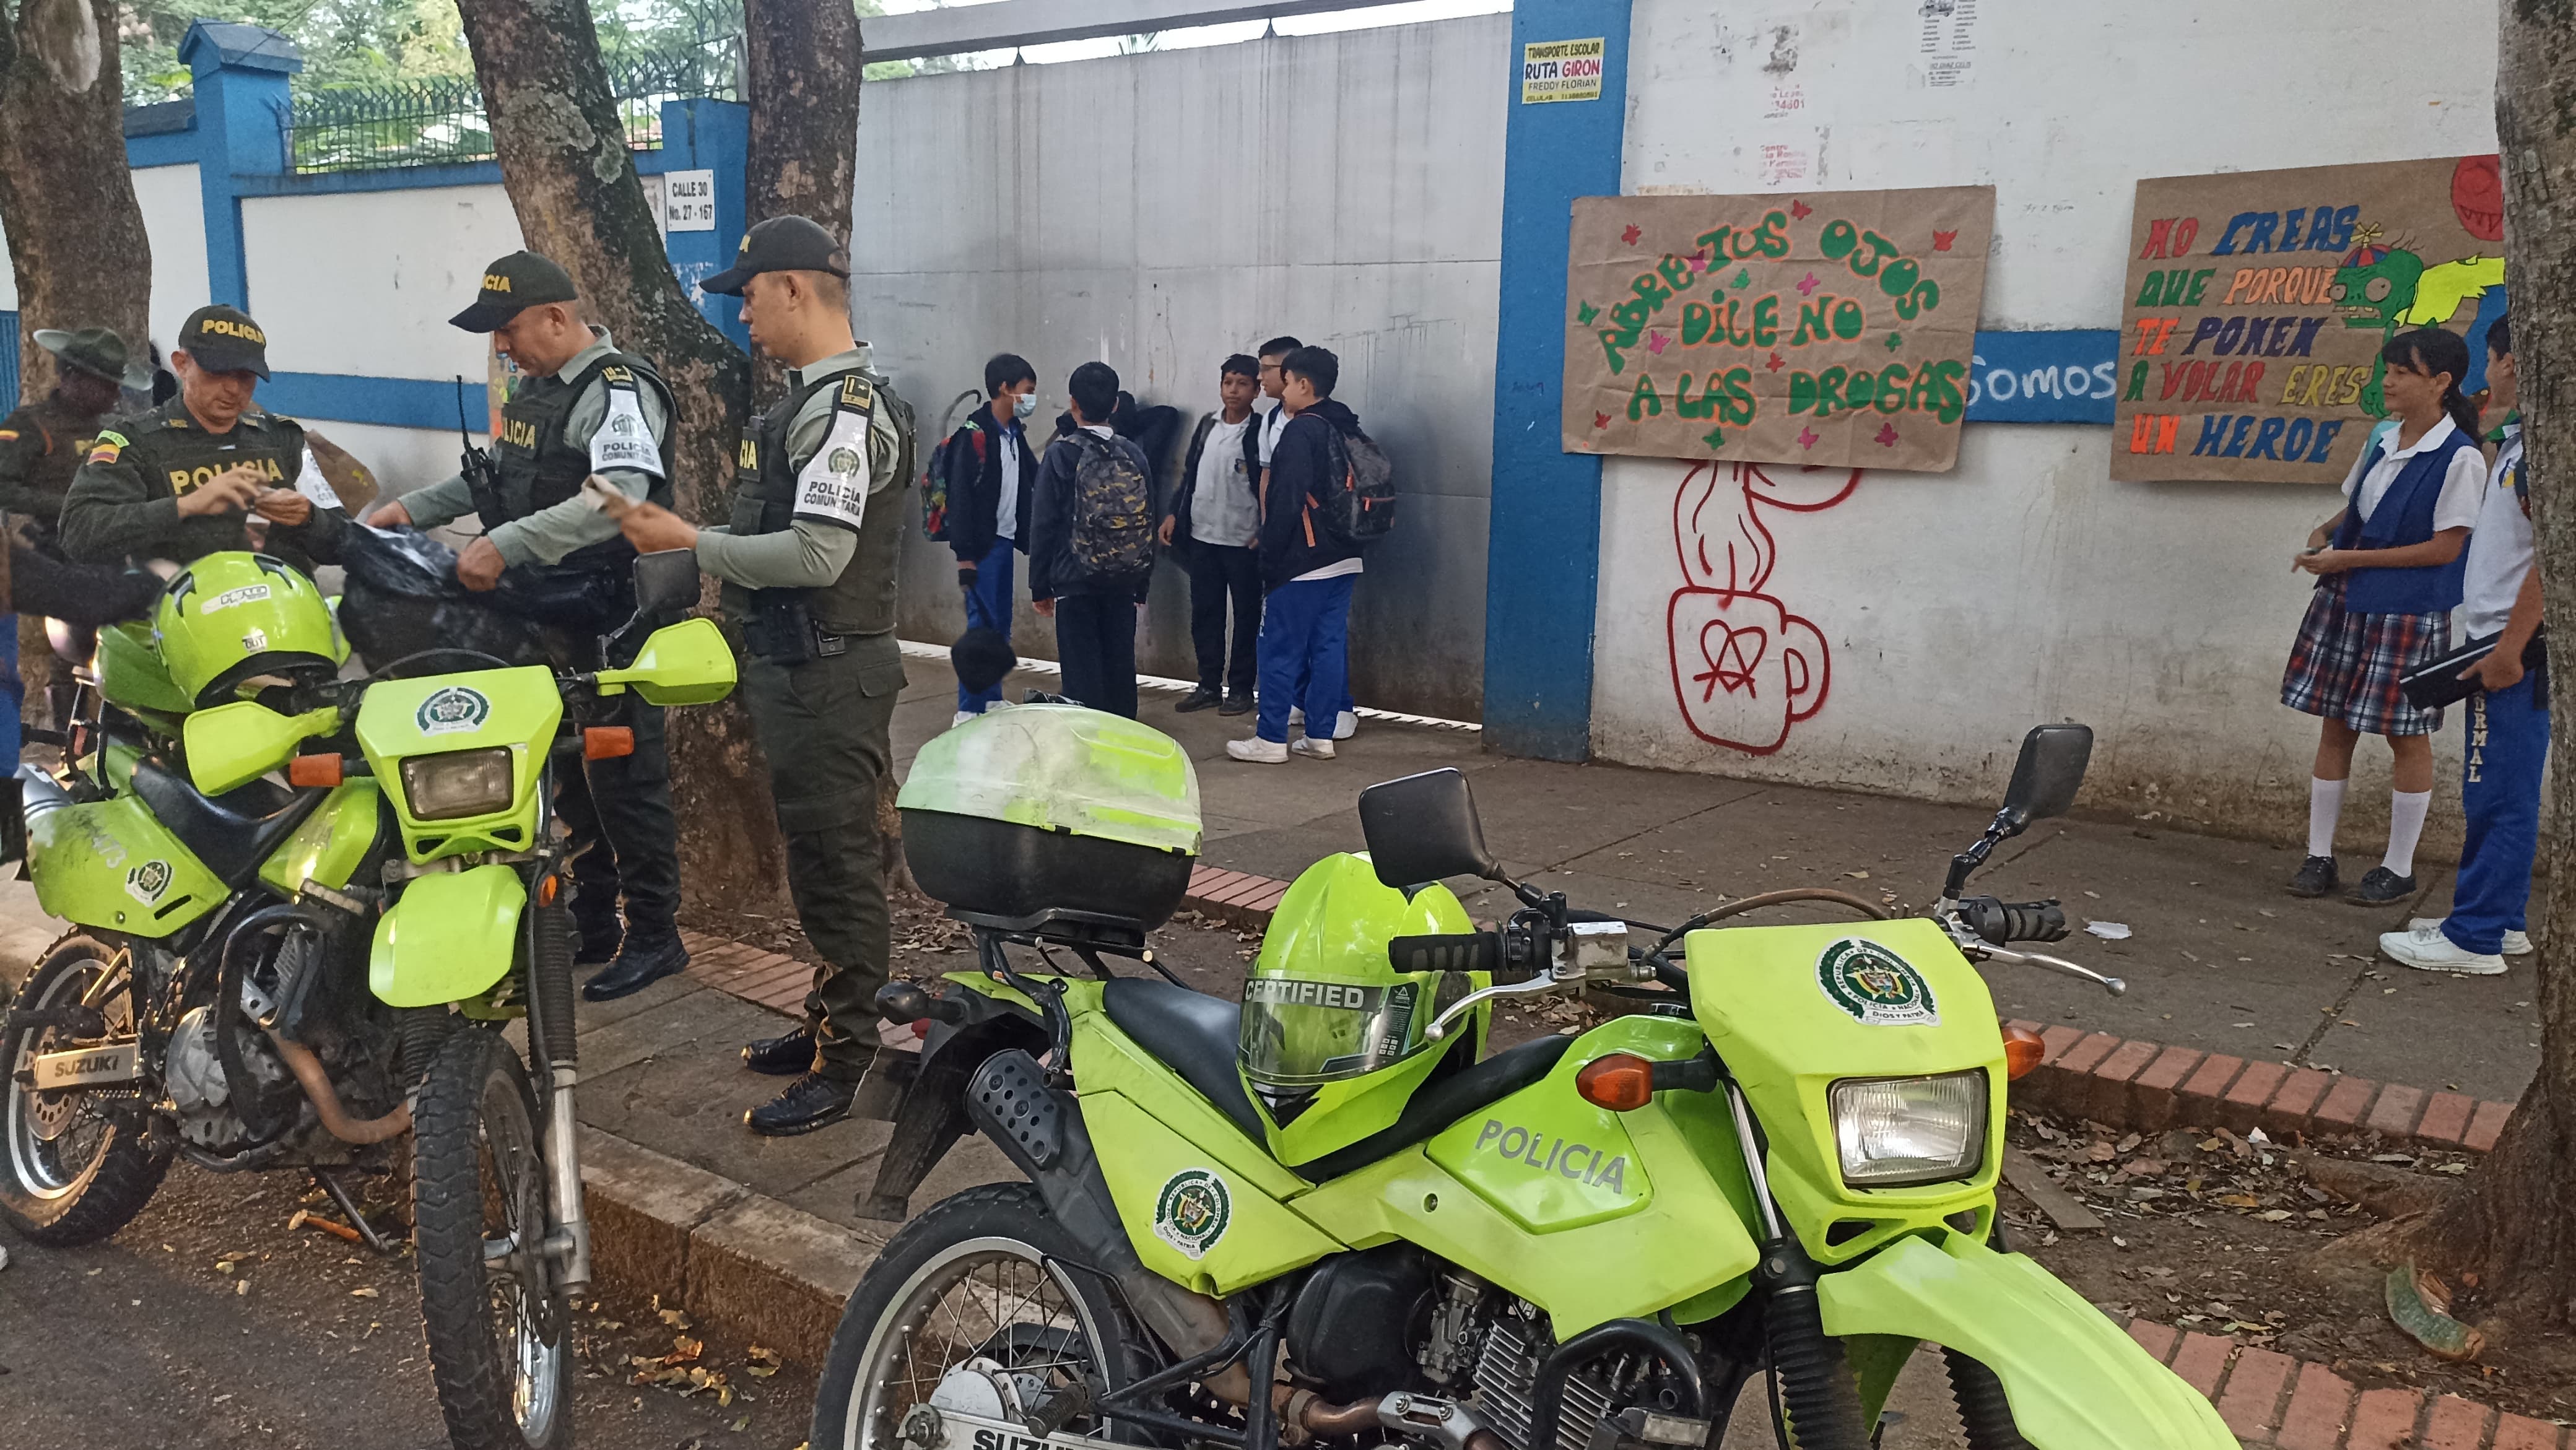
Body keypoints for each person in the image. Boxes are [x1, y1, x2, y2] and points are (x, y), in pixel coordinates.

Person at [612, 215, 915, 1135]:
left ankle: (855, 1060)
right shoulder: (807, 406)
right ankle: (831, 1021)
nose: (743, 315)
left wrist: (689, 541)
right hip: (800, 671)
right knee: (818, 861)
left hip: (830, 675)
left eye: (749, 295)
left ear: (793, 287)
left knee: (838, 865)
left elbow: (821, 555)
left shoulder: (845, 411)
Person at [363, 251, 690, 999]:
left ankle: (655, 934)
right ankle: (595, 919)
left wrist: (504, 544)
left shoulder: (616, 390)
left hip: (612, 612)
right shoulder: (538, 390)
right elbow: (501, 478)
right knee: (563, 768)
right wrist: (411, 509)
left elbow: (618, 495)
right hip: (544, 610)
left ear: (557, 317)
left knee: (626, 777)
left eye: (509, 330)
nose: (502, 347)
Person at [2281, 326, 2486, 904]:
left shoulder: (2461, 458)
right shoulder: (2385, 439)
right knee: (2336, 725)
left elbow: (2446, 548)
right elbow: (2360, 504)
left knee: (2406, 736)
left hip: (2407, 613)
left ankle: (2398, 867)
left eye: (2403, 373)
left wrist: (2351, 556)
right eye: (2388, 370)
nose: (2388, 382)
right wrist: (2327, 532)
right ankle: (2319, 856)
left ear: (2442, 383)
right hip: (2350, 600)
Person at [2382, 318, 2544, 974]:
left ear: (2514, 362)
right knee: (2502, 787)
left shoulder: (2540, 454)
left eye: (2494, 359)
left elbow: (2553, 556)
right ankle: (2499, 919)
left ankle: (2472, 936)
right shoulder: (2514, 442)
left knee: (2494, 790)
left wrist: (2508, 646)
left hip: (2513, 647)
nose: (2490, 373)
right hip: (2498, 636)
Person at [61, 305, 350, 576]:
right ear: (181, 364)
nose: (233, 389)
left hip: (282, 612)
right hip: (184, 616)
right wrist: (185, 506)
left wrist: (309, 518)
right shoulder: (133, 442)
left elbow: (346, 542)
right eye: (218, 373)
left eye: (246, 376)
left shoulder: (281, 437)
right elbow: (79, 534)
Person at [1230, 345, 1364, 763]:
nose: (1282, 391)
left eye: (1286, 382)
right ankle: (1320, 736)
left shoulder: (1301, 430)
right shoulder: (1346, 424)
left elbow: (1286, 500)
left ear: (1304, 385)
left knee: (1279, 648)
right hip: (1346, 557)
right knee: (1327, 646)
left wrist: (1271, 556)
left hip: (1303, 561)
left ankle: (1270, 740)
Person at [1030, 362, 1154, 718]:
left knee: (1081, 671)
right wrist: (1141, 585)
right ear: (1116, 404)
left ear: (1073, 404)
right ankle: (1125, 738)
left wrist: (1040, 586)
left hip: (1075, 579)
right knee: (1120, 666)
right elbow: (1147, 520)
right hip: (1124, 580)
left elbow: (1045, 524)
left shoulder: (1060, 454)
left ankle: (1088, 746)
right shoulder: (1134, 453)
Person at [1162, 354, 1264, 714]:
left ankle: (1240, 689)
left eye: (1242, 384)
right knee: (1206, 612)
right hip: (1203, 536)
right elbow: (1189, 475)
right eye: (1227, 383)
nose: (1233, 391)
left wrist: (1264, 531)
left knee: (1247, 615)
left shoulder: (1259, 432)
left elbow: (1272, 485)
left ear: (1256, 389)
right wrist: (1174, 513)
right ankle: (1208, 685)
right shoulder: (1207, 426)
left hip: (1243, 541)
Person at [942, 353, 1040, 724]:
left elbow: (1036, 476)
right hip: (982, 548)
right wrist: (965, 556)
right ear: (1005, 388)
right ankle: (969, 708)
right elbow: (961, 498)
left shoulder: (1014, 433)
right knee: (980, 627)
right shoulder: (975, 436)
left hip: (1005, 541)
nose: (1031, 399)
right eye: (1027, 391)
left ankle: (992, 698)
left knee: (999, 624)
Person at [0, 328, 150, 545]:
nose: (116, 394)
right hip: (56, 546)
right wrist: (71, 506)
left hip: (117, 544)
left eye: (117, 386)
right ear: (73, 377)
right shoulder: (31, 425)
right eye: (107, 386)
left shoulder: (117, 427)